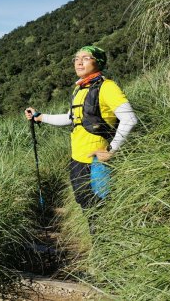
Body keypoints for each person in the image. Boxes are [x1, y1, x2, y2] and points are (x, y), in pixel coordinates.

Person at [24, 45, 138, 217]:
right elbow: (71, 118)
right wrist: (40, 117)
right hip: (77, 160)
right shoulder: (80, 89)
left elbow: (129, 119)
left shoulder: (107, 87)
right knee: (86, 205)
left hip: (95, 162)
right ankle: (97, 242)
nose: (79, 62)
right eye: (76, 59)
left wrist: (111, 150)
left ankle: (102, 243)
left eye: (85, 58)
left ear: (98, 62)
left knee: (98, 208)